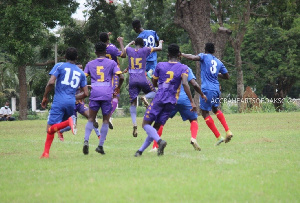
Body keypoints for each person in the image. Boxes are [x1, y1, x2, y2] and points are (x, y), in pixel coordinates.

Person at [134, 43, 197, 157]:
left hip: (160, 98)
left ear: (167, 54)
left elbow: (154, 83)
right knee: (156, 127)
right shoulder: (184, 67)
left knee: (145, 124)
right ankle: (140, 151)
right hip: (172, 101)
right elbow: (185, 83)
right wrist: (192, 101)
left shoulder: (160, 65)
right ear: (179, 55)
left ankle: (159, 142)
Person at [40, 47, 88, 158]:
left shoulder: (59, 66)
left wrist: (45, 96)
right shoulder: (81, 73)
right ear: (77, 58)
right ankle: (45, 153)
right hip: (71, 103)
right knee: (55, 127)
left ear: (65, 57)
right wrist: (72, 97)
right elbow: (86, 93)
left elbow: (51, 82)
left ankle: (68, 123)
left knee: (49, 128)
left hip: (59, 101)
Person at [181, 43, 233, 145]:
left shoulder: (204, 56)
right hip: (216, 90)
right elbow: (227, 76)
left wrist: (182, 54)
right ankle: (228, 131)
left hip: (207, 89)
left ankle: (218, 137)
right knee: (215, 109)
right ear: (214, 51)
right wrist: (216, 74)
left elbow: (193, 57)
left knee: (204, 113)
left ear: (205, 49)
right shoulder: (218, 62)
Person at [150, 67, 207, 152]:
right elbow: (194, 84)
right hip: (184, 99)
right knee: (193, 119)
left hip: (170, 99)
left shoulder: (165, 67)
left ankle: (155, 146)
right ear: (179, 56)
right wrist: (202, 95)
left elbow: (158, 84)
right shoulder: (186, 68)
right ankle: (193, 138)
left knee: (160, 121)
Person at [82, 42, 124, 155]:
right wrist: (117, 88)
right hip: (107, 94)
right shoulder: (111, 63)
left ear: (95, 52)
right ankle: (100, 146)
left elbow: (82, 78)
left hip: (95, 93)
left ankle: (86, 140)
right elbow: (121, 77)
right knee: (105, 120)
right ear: (106, 52)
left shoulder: (90, 64)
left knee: (91, 118)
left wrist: (83, 89)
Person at [122, 37, 163, 137]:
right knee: (154, 93)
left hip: (132, 80)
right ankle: (145, 97)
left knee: (132, 102)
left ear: (135, 43)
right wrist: (160, 42)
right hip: (142, 78)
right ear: (143, 44)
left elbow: (124, 51)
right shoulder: (145, 50)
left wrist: (129, 43)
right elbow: (159, 48)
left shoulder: (130, 50)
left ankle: (134, 123)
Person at [56, 63, 101, 142]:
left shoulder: (83, 78)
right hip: (71, 105)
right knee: (71, 126)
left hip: (80, 104)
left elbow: (83, 91)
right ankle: (60, 131)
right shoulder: (70, 79)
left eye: (82, 69)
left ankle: (99, 135)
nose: (81, 70)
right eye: (79, 69)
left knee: (91, 117)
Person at [99, 32, 125, 129]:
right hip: (114, 73)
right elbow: (123, 54)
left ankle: (97, 116)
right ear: (108, 39)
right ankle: (108, 116)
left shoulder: (100, 49)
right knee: (115, 95)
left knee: (104, 96)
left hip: (102, 73)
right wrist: (121, 42)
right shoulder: (112, 47)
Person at [132, 19, 159, 106]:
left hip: (143, 62)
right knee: (155, 83)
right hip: (152, 61)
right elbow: (158, 43)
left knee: (145, 81)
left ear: (135, 28)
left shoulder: (138, 38)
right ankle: (150, 99)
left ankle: (149, 99)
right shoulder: (152, 32)